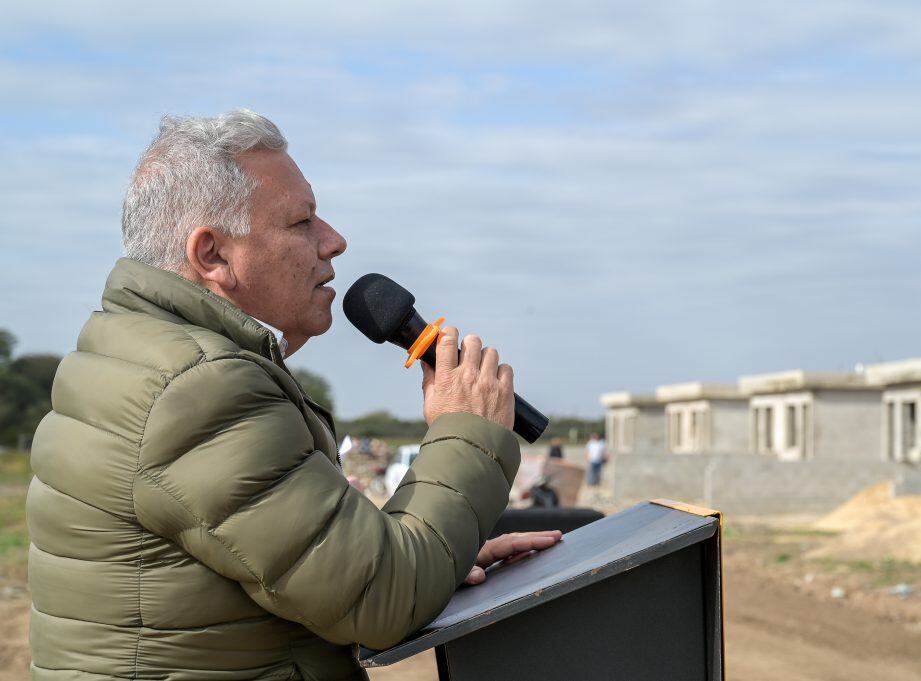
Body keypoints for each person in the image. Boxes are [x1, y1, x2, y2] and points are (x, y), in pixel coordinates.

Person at [27, 110, 560, 680]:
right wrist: (467, 428)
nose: (334, 241)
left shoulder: (137, 357)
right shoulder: (198, 389)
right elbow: (376, 598)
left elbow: (321, 572)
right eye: (301, 221)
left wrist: (437, 552)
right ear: (213, 256)